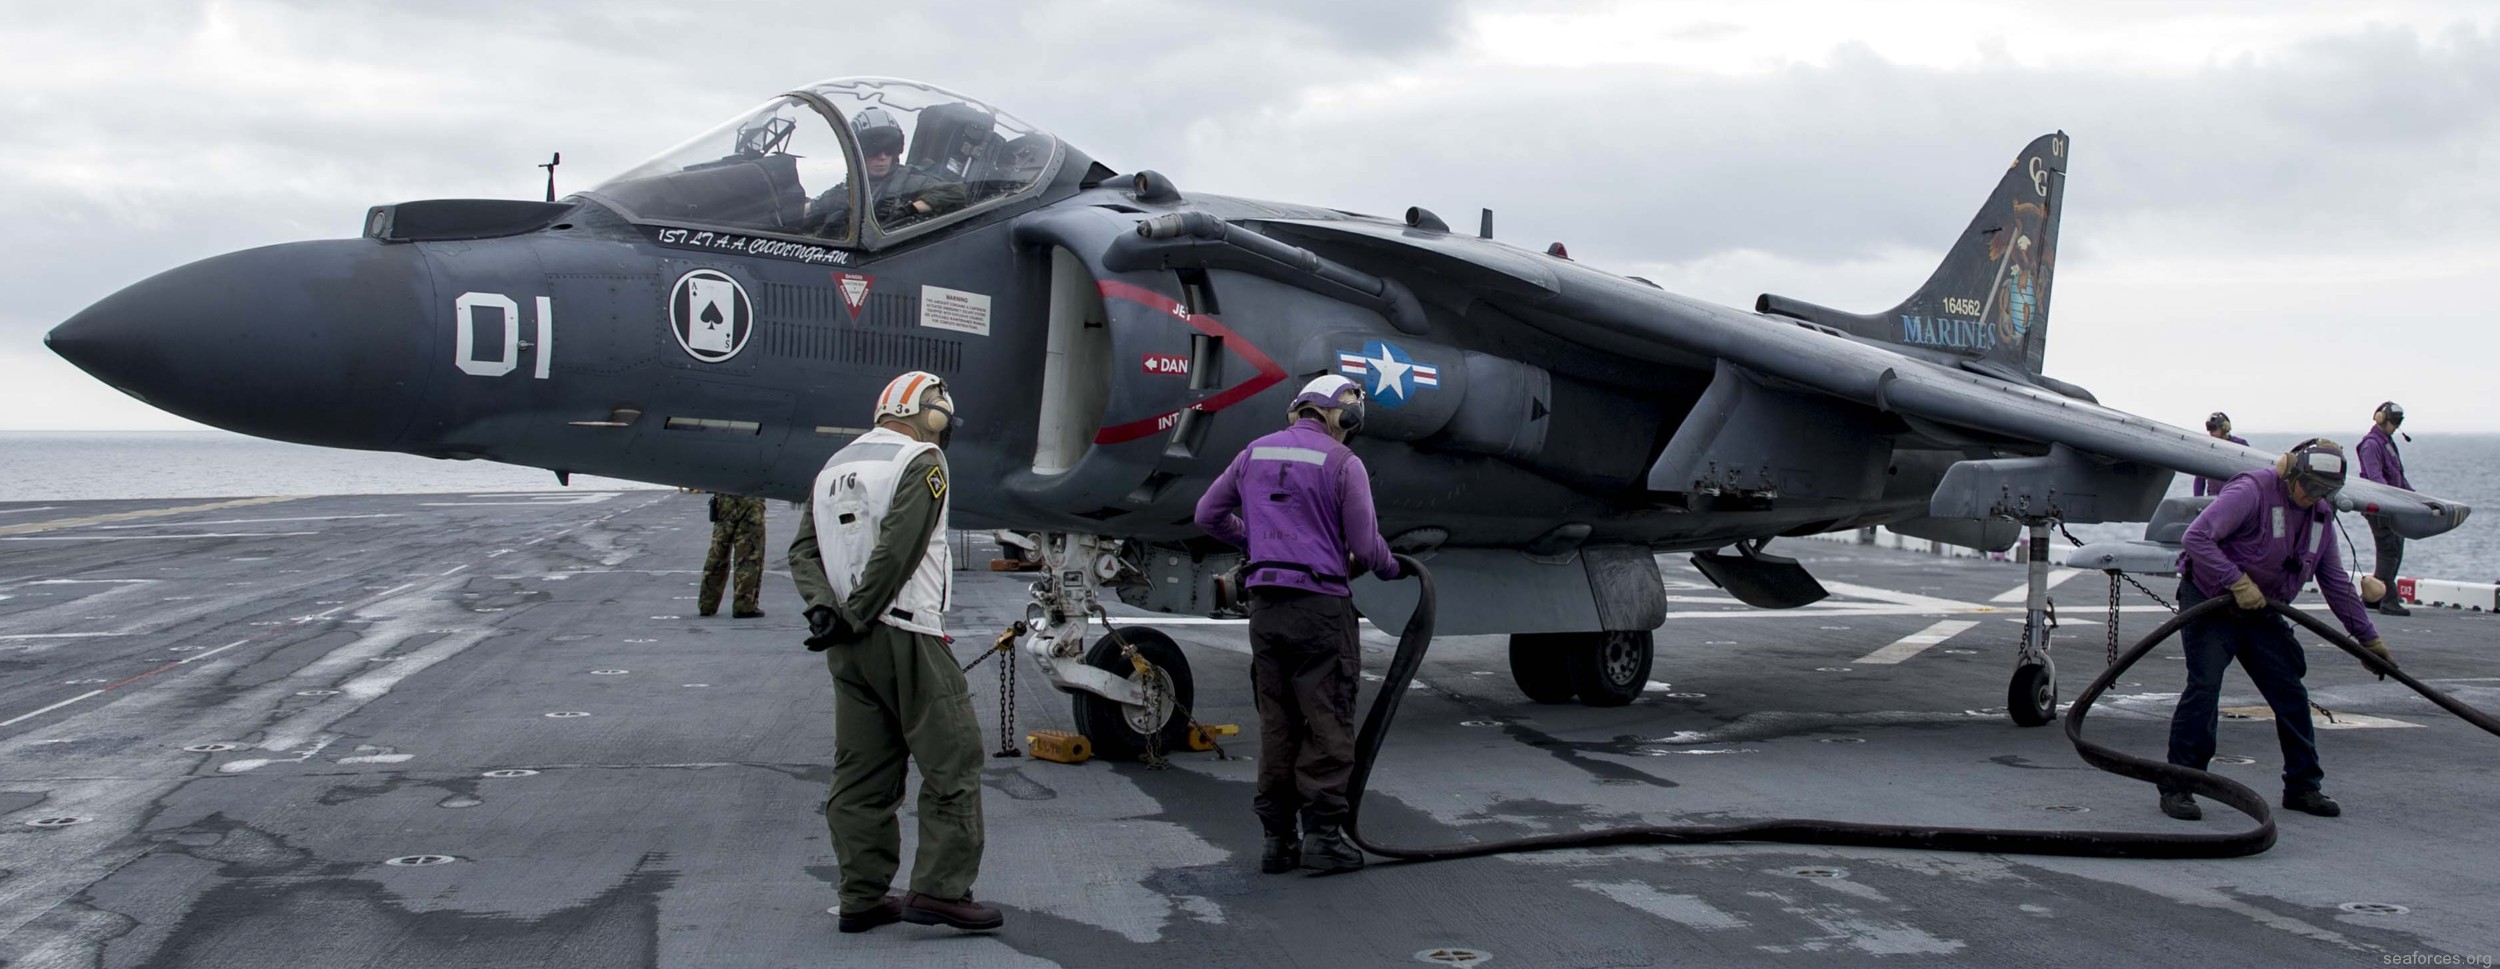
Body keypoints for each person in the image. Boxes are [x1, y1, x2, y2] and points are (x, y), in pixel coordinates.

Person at [787, 370, 998, 933]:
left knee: (860, 776)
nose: (945, 427)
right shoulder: (921, 462)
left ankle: (861, 896)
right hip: (908, 634)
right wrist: (858, 612)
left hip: (847, 649)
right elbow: (898, 550)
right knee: (953, 760)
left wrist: (824, 611)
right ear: (924, 411)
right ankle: (941, 891)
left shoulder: (832, 467)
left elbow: (803, 551)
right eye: (942, 415)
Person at [1192, 374, 1401, 875]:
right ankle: (1324, 838)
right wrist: (1395, 567)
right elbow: (1368, 549)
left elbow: (1207, 515)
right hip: (1321, 609)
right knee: (1326, 720)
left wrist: (1258, 543)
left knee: (1278, 723)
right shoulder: (1344, 463)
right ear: (1344, 416)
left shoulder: (1254, 453)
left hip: (1266, 610)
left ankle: (1277, 840)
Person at [2159, 439, 2395, 822]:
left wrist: (2368, 639)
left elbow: (2334, 581)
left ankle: (2303, 786)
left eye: (2325, 491)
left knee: (2289, 692)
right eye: (2311, 486)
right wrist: (2235, 581)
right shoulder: (2250, 491)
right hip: (2211, 599)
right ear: (2290, 472)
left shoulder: (2320, 517)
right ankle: (2180, 784)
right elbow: (2196, 538)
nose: (2315, 496)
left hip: (2261, 608)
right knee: (2204, 687)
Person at [807, 107, 968, 235]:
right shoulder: (845, 191)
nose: (882, 157)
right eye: (874, 150)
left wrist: (910, 210)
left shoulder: (908, 181)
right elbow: (805, 210)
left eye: (889, 149)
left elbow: (955, 192)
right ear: (859, 153)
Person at [2357, 401, 2413, 616]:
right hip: (2381, 509)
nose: (2396, 426)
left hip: (2393, 506)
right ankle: (2389, 601)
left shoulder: (2387, 442)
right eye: (2394, 422)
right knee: (2389, 550)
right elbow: (2376, 479)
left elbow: (2398, 476)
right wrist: (2394, 501)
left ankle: (2375, 598)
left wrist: (2414, 498)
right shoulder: (2371, 444)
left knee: (2393, 550)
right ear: (2381, 419)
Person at [698, 493, 767, 618]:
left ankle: (707, 604)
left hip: (724, 499)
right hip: (751, 500)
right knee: (749, 556)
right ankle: (744, 605)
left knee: (717, 552)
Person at [2193, 412, 2249, 497]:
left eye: (2214, 428)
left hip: (2236, 497)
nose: (2211, 432)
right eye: (2209, 429)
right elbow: (2199, 480)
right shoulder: (2208, 449)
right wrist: (2197, 501)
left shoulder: (2240, 445)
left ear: (2224, 428)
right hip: (2214, 499)